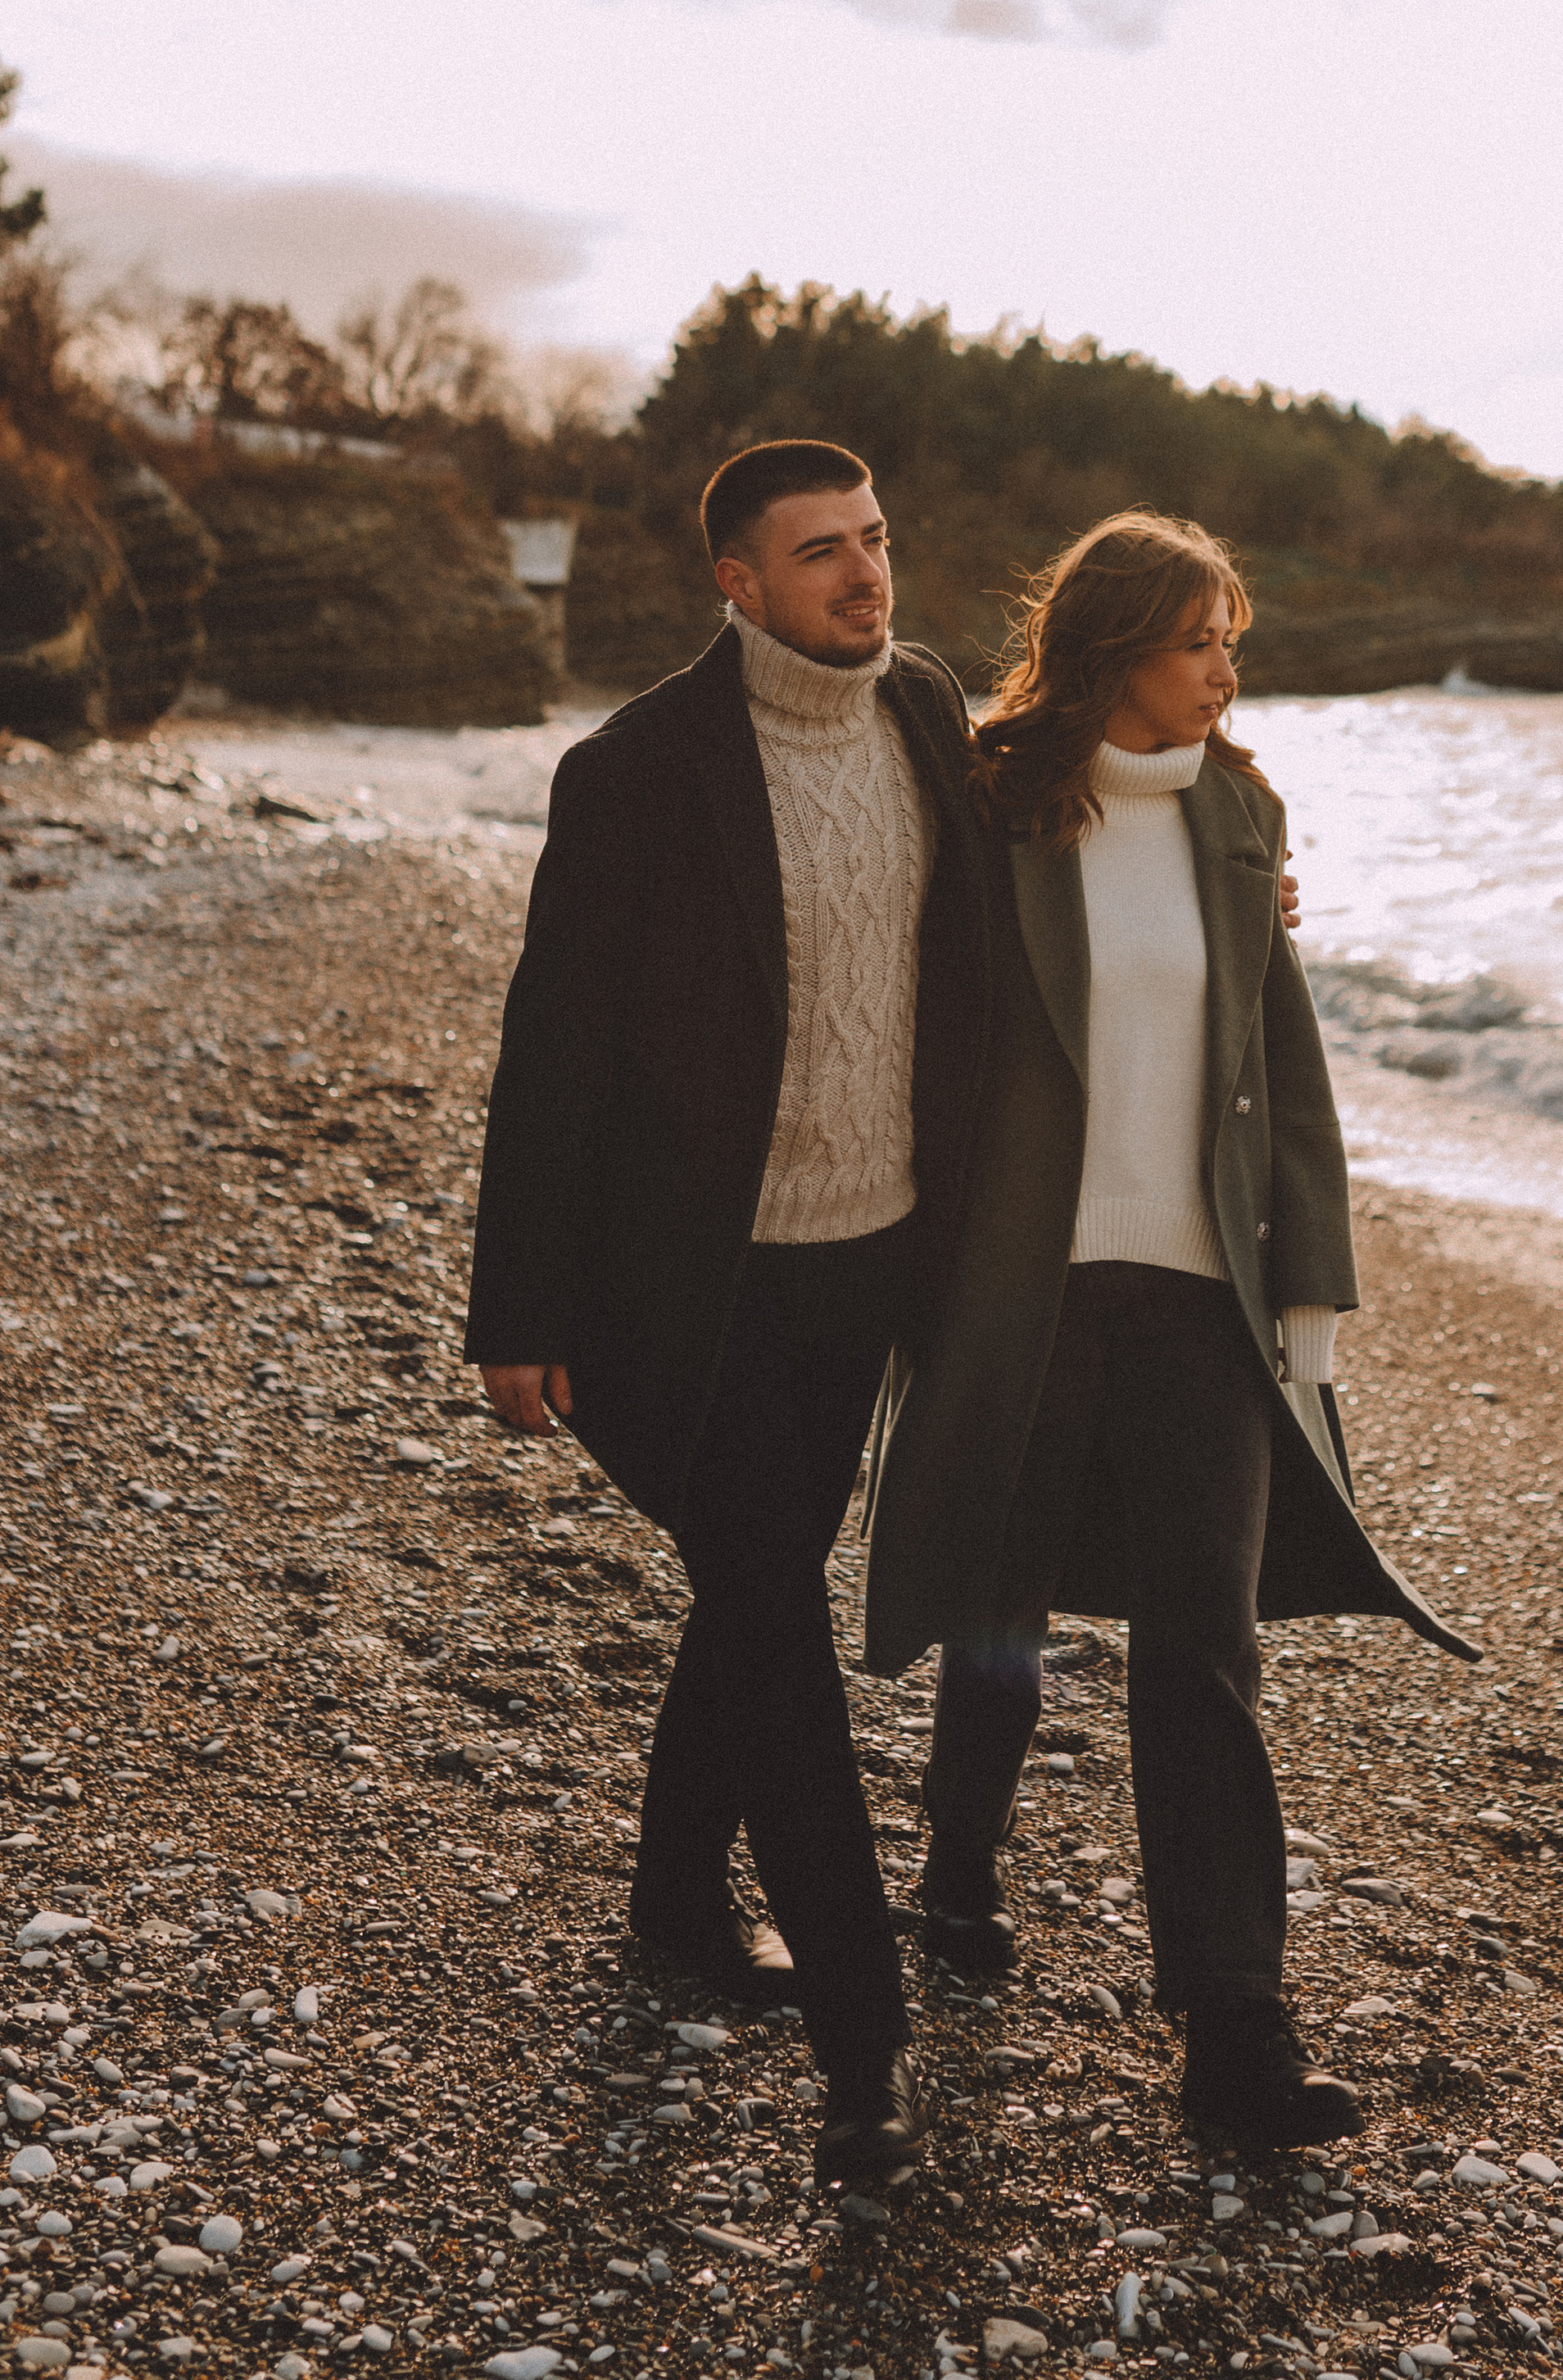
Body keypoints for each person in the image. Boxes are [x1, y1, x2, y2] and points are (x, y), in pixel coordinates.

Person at [863, 510, 1479, 2145]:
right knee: (1000, 1602)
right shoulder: (989, 802)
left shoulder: (1236, 811)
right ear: (1116, 641)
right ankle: (959, 1862)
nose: (1225, 669)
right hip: (1024, 1286)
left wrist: (1310, 1299)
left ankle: (1232, 2034)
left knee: (1201, 1651)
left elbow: (1282, 1063)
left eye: (1231, 642)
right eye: (1200, 637)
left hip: (1201, 1297)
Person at [465, 437, 990, 2187]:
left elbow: (1070, 839)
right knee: (771, 1611)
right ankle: (863, 2040)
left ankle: (675, 1899)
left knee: (757, 1576)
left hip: (870, 1257)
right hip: (682, 1291)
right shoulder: (636, 772)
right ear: (735, 583)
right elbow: (553, 1052)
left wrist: (1246, 884)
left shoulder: (926, 717)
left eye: (876, 535)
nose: (866, 574)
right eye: (821, 551)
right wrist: (515, 1305)